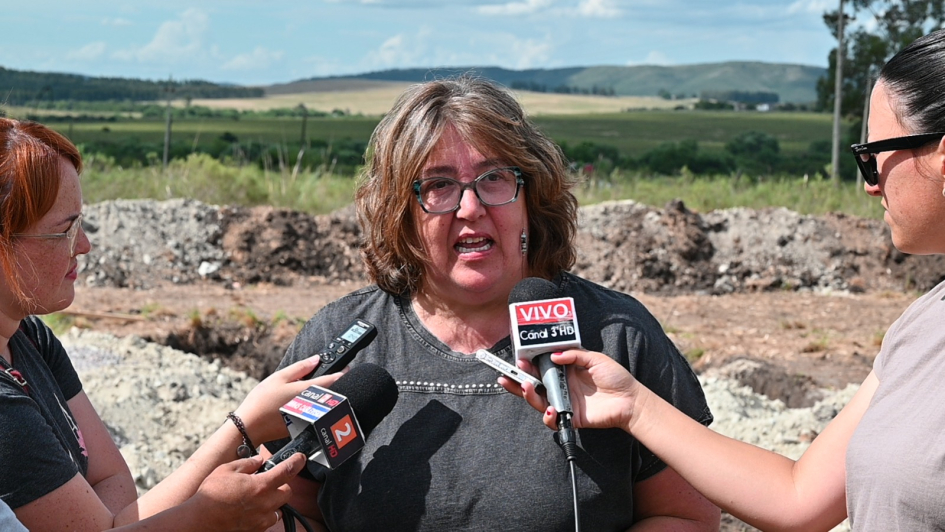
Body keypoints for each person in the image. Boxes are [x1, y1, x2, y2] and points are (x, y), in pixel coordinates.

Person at [506, 29, 945, 532]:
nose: (869, 185)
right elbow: (797, 497)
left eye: (872, 157)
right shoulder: (924, 325)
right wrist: (632, 405)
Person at [267, 76, 720, 531]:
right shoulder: (339, 340)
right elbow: (287, 507)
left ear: (531, 197)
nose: (470, 207)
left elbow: (685, 516)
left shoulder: (617, 335)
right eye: (439, 185)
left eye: (494, 178)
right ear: (401, 214)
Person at [0, 117, 340, 531]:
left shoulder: (28, 337)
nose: (85, 246)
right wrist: (241, 429)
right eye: (65, 231)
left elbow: (114, 487)